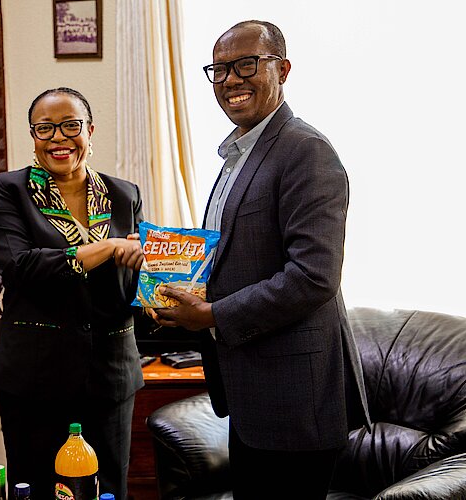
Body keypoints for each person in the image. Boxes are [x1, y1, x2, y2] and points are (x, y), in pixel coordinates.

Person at [149, 21, 371, 499]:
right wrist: (170, 275)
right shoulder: (239, 154)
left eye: (247, 64)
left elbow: (313, 276)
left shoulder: (306, 150)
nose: (231, 79)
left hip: (294, 400)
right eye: (220, 69)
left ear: (283, 70)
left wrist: (211, 314)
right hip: (253, 393)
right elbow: (238, 255)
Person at [0, 87, 145, 499]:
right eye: (45, 128)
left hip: (110, 374)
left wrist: (151, 274)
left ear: (90, 131)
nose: (58, 138)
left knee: (108, 487)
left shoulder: (124, 194)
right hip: (36, 377)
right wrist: (108, 247)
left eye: (71, 126)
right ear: (33, 136)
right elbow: (21, 267)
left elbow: (132, 284)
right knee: (38, 487)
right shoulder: (8, 190)